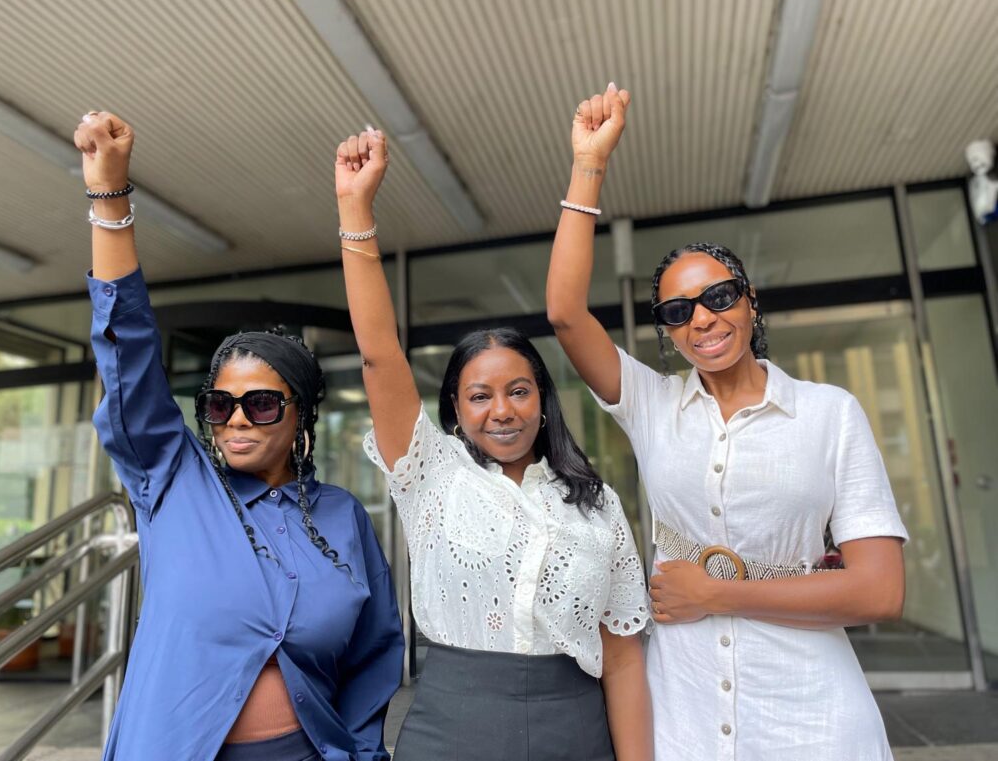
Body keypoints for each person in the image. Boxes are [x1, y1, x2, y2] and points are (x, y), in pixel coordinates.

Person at [546, 83, 909, 760]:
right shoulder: (653, 405)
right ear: (668, 334)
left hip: (813, 716)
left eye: (718, 296)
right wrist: (588, 164)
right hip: (684, 713)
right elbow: (566, 314)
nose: (702, 318)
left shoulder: (831, 413)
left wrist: (717, 592)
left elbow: (880, 588)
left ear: (750, 301)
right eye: (678, 312)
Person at [74, 111, 403, 761]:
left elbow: (374, 656)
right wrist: (109, 194)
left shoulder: (343, 517)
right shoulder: (172, 479)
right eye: (220, 404)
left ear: (301, 415)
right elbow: (129, 358)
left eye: (259, 402)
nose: (238, 420)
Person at [333, 128, 654, 761]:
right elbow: (378, 354)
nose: (501, 411)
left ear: (543, 399)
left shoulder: (596, 505)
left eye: (519, 391)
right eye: (480, 396)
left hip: (578, 732)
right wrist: (355, 210)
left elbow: (621, 660)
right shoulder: (432, 474)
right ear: (454, 406)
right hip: (453, 730)